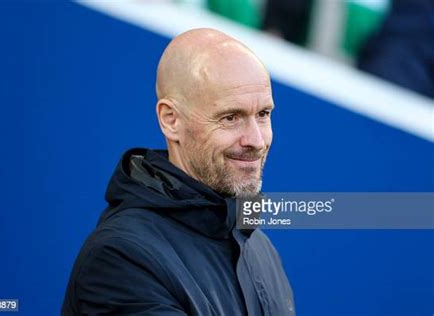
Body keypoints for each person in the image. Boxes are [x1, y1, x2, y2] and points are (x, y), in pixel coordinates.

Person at [62, 28, 295, 315]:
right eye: (231, 117)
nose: (256, 141)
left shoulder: (260, 249)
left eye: (263, 114)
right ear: (171, 120)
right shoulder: (121, 257)